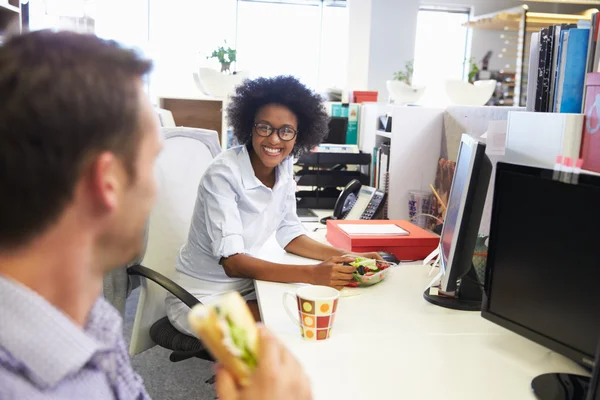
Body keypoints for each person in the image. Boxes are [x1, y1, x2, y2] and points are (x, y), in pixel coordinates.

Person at [0, 30, 310, 400]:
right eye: (151, 163)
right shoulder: (32, 384)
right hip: (206, 296)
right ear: (107, 183)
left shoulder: (86, 323)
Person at [166, 76, 382, 334]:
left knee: (328, 311)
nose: (274, 140)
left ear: (297, 135)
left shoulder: (284, 165)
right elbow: (233, 263)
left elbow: (290, 234)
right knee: (297, 322)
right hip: (202, 299)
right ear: (250, 126)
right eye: (264, 127)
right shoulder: (223, 174)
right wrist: (313, 274)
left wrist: (346, 258)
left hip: (247, 286)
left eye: (286, 131)